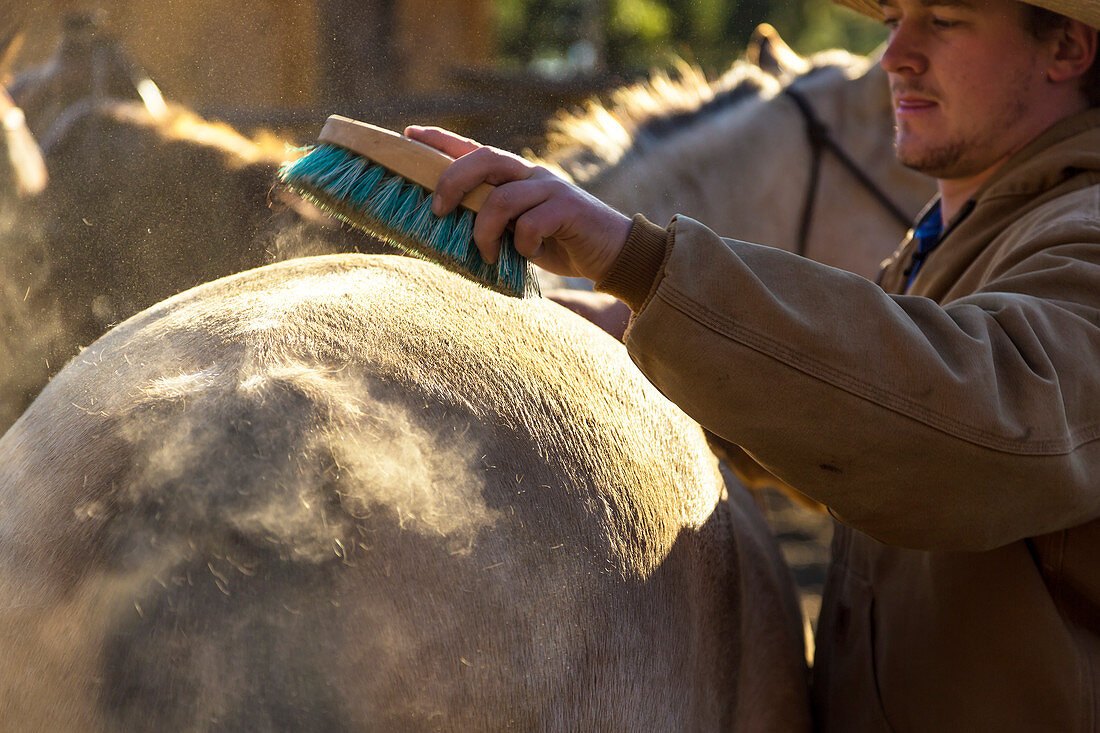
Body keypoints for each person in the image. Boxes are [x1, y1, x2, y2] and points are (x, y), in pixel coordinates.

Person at [407, 0, 1100, 728]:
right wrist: (626, 329)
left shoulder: (1082, 236)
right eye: (896, 18)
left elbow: (969, 427)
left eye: (944, 20)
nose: (895, 55)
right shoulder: (967, 239)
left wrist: (636, 259)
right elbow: (868, 427)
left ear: (1067, 49)